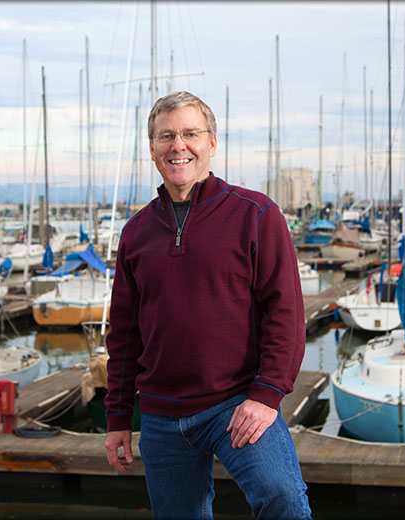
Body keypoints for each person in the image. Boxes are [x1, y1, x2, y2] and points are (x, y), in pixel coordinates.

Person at [103, 91, 312, 520]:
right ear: (152, 149)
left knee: (284, 501)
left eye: (190, 134)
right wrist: (119, 416)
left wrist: (267, 395)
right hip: (161, 416)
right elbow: (123, 334)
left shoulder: (256, 214)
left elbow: (286, 314)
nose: (178, 146)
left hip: (236, 403)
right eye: (166, 136)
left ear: (211, 143)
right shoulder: (136, 232)